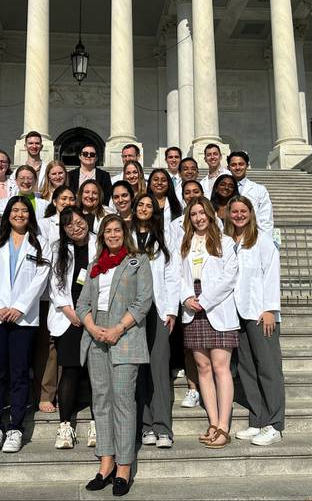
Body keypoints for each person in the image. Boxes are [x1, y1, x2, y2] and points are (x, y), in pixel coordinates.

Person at [76, 215, 153, 497]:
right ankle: (105, 462)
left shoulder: (138, 261)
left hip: (125, 334)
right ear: (102, 236)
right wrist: (93, 327)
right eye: (107, 231)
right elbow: (82, 302)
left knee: (122, 401)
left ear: (125, 233)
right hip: (96, 336)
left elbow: (144, 300)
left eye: (117, 230)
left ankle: (124, 465)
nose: (112, 234)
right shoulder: (95, 265)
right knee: (102, 401)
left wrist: (118, 328)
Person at [0, 196, 50, 454]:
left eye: (24, 210)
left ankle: (15, 427)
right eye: (15, 210)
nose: (19, 214)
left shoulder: (40, 243)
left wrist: (18, 307)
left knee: (19, 373)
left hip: (23, 318)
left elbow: (41, 278)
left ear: (30, 215)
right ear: (7, 215)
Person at [174, 197, 239, 449]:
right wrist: (187, 297)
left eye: (202, 213)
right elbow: (177, 275)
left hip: (216, 306)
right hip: (193, 307)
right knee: (202, 368)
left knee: (220, 367)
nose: (199, 218)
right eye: (194, 214)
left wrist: (205, 299)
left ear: (211, 215)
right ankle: (212, 422)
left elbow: (230, 276)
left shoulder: (225, 242)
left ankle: (224, 426)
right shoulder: (185, 243)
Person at [225, 196, 285, 446]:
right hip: (239, 313)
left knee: (268, 368)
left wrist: (270, 308)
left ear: (251, 213)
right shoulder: (229, 241)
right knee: (248, 369)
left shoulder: (261, 240)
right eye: (235, 211)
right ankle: (257, 420)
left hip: (261, 314)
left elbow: (271, 273)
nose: (239, 215)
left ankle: (275, 423)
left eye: (243, 211)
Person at [48, 207, 98, 449]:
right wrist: (70, 312)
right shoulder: (58, 248)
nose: (76, 227)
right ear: (64, 229)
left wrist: (89, 314)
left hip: (97, 318)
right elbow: (54, 284)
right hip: (69, 319)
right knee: (70, 370)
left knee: (95, 371)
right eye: (70, 225)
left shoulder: (99, 242)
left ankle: (97, 423)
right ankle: (65, 426)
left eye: (79, 221)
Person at [132, 193, 179, 450]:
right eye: (141, 204)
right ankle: (146, 426)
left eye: (150, 205)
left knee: (159, 370)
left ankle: (163, 427)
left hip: (159, 310)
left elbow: (172, 275)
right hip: (133, 313)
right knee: (140, 370)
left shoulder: (164, 237)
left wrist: (171, 310)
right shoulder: (125, 235)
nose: (145, 208)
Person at [33, 186, 77, 415]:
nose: (67, 201)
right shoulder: (44, 223)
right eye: (63, 198)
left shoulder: (79, 223)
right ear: (55, 200)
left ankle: (64, 392)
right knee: (48, 347)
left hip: (69, 295)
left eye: (71, 198)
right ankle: (45, 393)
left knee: (66, 348)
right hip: (45, 293)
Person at [167, 179, 206, 409]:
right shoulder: (176, 225)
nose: (191, 195)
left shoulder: (214, 224)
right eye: (187, 192)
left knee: (210, 347)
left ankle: (208, 386)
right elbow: (175, 263)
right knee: (191, 345)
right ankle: (193, 388)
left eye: (195, 191)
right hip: (187, 292)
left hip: (210, 292)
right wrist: (185, 296)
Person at [227, 150, 274, 235]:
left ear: (247, 166)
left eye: (241, 164)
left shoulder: (260, 190)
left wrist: (265, 241)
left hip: (253, 237)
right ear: (228, 167)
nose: (237, 168)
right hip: (229, 236)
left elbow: (266, 220)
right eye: (233, 165)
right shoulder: (222, 190)